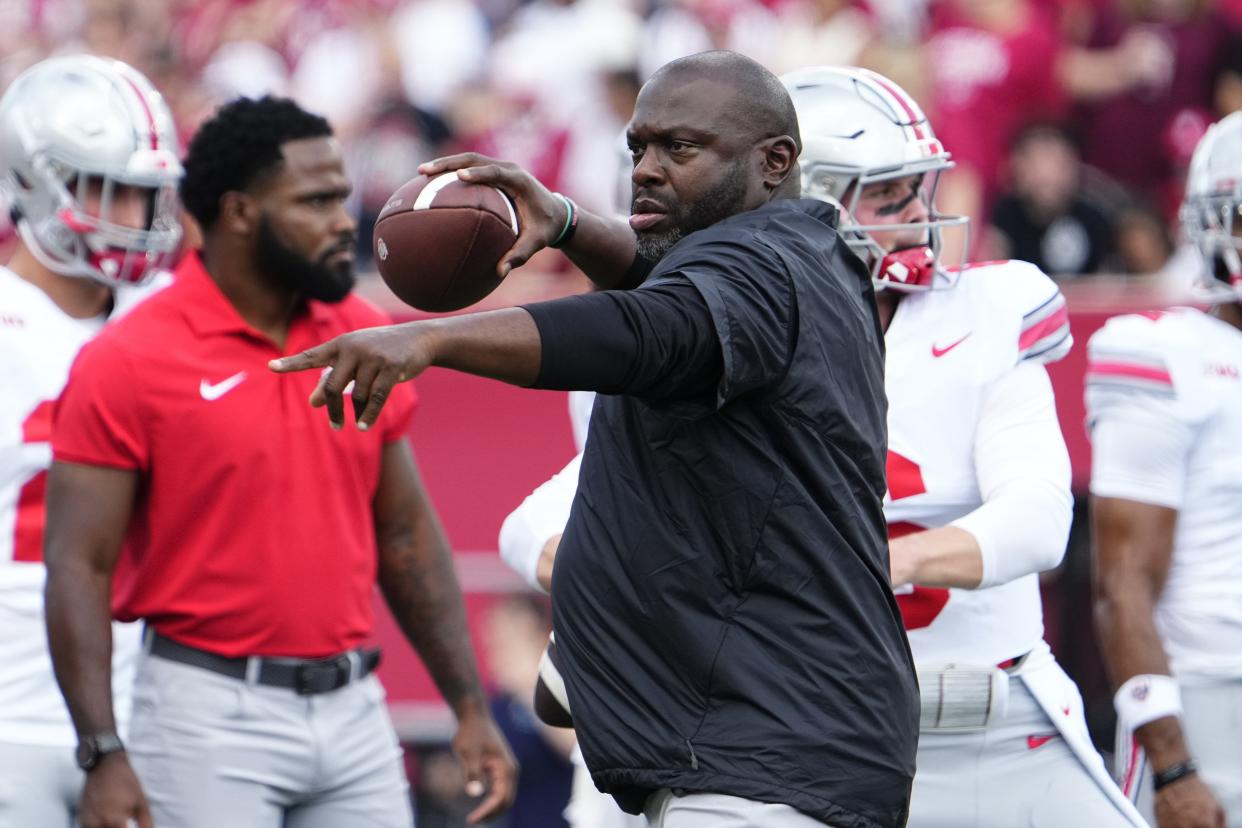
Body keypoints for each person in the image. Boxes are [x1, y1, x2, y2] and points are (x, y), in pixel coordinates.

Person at [272, 50, 918, 828]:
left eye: (679, 149)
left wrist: (431, 342)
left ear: (775, 161)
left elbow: (651, 328)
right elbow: (668, 287)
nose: (646, 169)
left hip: (762, 761)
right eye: (638, 146)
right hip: (776, 743)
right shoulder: (801, 249)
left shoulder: (761, 265)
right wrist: (569, 225)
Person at [43, 95, 516, 828]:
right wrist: (101, 750)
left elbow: (405, 535)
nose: (343, 222)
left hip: (357, 706)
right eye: (317, 201)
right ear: (238, 212)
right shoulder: (128, 360)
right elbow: (78, 565)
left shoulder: (365, 329)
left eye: (343, 195)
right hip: (204, 716)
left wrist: (468, 706)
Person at [783, 66, 1146, 828]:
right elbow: (545, 526)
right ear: (804, 203)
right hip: (820, 730)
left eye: (921, 187)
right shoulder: (738, 339)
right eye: (889, 195)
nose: (921, 214)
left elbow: (1039, 522)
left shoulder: (987, 309)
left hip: (1003, 718)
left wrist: (884, 561)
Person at [0, 55, 183, 828]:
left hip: (159, 710)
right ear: (37, 183)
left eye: (146, 194)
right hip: (13, 711)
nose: (135, 218)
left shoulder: (172, 313)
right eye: (111, 190)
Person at [1088, 111, 1242, 828]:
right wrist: (1174, 765)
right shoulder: (1166, 354)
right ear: (1217, 226)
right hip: (1208, 693)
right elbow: (1123, 583)